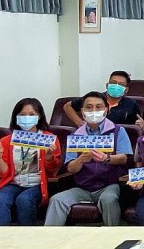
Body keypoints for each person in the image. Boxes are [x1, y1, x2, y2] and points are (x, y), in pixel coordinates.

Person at [45, 92, 134, 226]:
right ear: (82, 111)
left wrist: (106, 158)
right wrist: (81, 159)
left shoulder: (117, 131)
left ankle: (113, 235)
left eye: (98, 107)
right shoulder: (76, 135)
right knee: (57, 200)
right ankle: (50, 237)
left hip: (109, 185)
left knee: (109, 199)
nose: (94, 111)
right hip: (83, 188)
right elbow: (70, 167)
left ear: (106, 110)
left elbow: (124, 158)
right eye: (89, 107)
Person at [0, 98, 61, 225]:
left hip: (37, 184)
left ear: (39, 116)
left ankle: (26, 236)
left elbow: (53, 170)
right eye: (22, 115)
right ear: (16, 117)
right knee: (0, 198)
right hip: (14, 183)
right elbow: (3, 173)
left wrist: (49, 157)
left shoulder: (48, 139)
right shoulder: (6, 141)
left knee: (24, 200)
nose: (27, 118)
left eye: (31, 114)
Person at [63, 71, 141, 127]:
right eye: (113, 83)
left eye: (121, 84)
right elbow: (67, 106)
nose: (116, 86)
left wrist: (141, 125)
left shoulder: (131, 104)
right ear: (107, 85)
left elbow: (136, 127)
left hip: (117, 136)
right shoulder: (95, 98)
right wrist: (78, 122)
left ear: (126, 90)